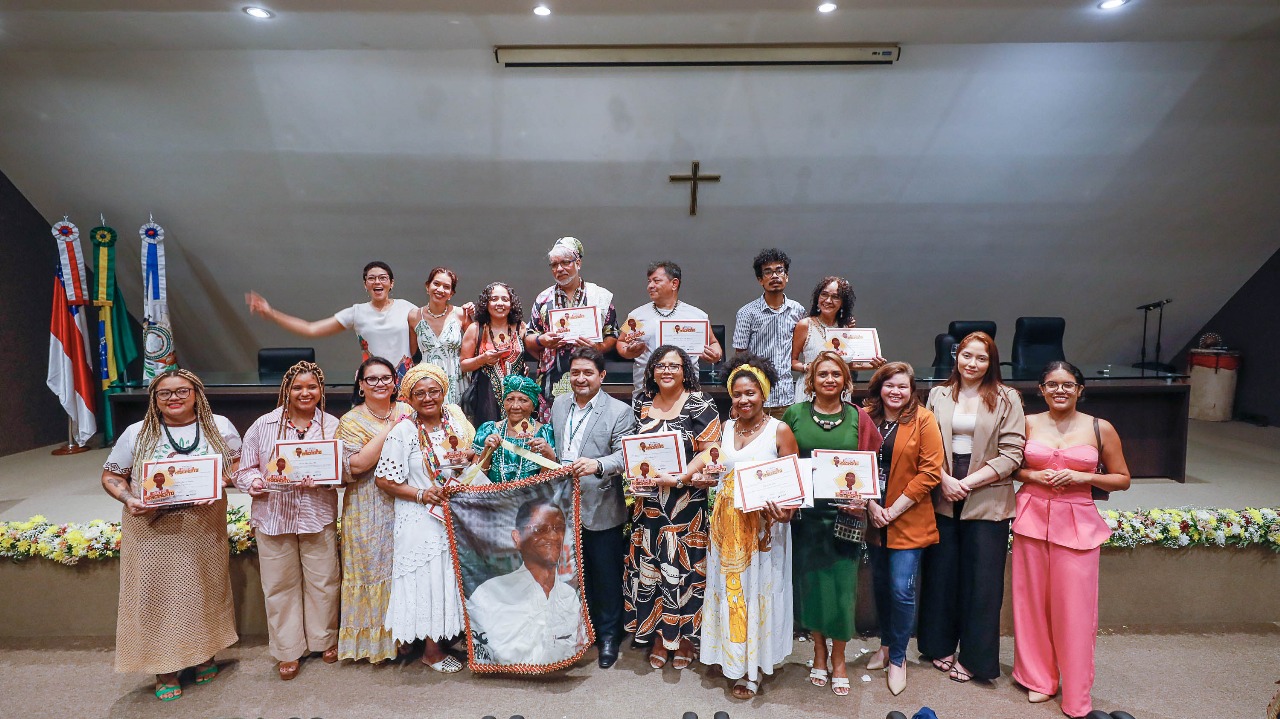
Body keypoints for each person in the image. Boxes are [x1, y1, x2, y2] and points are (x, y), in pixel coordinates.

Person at [98, 369, 241, 702]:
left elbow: (239, 468)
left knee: (203, 589)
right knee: (156, 596)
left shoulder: (219, 427)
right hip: (151, 530)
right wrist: (130, 499)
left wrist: (221, 482)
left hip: (203, 526)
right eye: (165, 393)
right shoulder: (137, 432)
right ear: (154, 398)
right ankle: (164, 668)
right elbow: (111, 476)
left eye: (182, 391)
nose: (174, 398)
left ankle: (204, 653)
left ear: (197, 393)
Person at [1012, 361, 1130, 718]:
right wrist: (1035, 473)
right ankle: (1038, 679)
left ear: (1080, 389)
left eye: (1067, 384)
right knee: (1030, 603)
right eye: (1052, 384)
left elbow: (1122, 478)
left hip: (1077, 522)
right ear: (1041, 389)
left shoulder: (1100, 428)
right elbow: (1011, 467)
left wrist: (1084, 479)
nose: (1059, 390)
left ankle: (1076, 693)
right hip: (1032, 516)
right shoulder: (1028, 423)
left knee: (1075, 610)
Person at [917, 332, 1026, 684]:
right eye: (967, 356)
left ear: (991, 362)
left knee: (983, 584)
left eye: (981, 358)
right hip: (943, 496)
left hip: (987, 498)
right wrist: (944, 480)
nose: (972, 364)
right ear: (956, 357)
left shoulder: (1007, 398)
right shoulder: (937, 394)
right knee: (941, 576)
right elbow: (925, 444)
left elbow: (1012, 453)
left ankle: (977, 659)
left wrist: (969, 482)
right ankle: (939, 645)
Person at [694, 355, 799, 700]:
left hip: (763, 529)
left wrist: (785, 512)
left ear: (764, 394)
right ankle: (729, 657)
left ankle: (752, 670)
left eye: (751, 393)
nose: (743, 400)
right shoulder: (725, 428)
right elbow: (716, 472)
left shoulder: (779, 430)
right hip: (726, 527)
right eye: (737, 394)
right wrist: (704, 479)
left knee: (755, 594)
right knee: (729, 592)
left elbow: (793, 489)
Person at [781, 351, 883, 697]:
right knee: (813, 589)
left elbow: (870, 465)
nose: (829, 379)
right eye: (822, 374)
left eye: (835, 375)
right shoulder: (794, 415)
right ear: (811, 380)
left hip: (846, 517)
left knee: (842, 590)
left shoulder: (859, 418)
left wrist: (864, 498)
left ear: (844, 380)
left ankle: (839, 657)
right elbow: (784, 462)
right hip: (806, 517)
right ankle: (818, 653)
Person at [234, 361, 342, 681]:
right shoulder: (263, 425)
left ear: (320, 390)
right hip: (272, 515)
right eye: (297, 387)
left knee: (323, 581)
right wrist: (254, 483)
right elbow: (244, 469)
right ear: (286, 390)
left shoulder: (333, 426)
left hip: (316, 514)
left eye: (311, 387)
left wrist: (325, 480)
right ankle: (288, 649)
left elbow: (344, 470)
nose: (304, 392)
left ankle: (324, 639)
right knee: (279, 585)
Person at [622, 345, 721, 670]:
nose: (667, 371)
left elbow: (710, 450)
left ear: (685, 370)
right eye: (661, 365)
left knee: (683, 571)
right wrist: (634, 476)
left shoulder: (700, 403)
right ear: (652, 370)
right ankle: (658, 636)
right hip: (648, 504)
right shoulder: (642, 404)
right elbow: (632, 448)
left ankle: (683, 639)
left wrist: (684, 475)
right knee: (652, 570)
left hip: (685, 505)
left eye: (674, 366)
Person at [374, 363, 476, 673]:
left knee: (448, 578)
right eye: (420, 393)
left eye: (434, 392)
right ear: (408, 398)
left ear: (444, 393)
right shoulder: (403, 432)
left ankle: (448, 639)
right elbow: (384, 480)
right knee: (427, 581)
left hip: (452, 515)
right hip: (419, 518)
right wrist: (421, 494)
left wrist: (468, 458)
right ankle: (430, 652)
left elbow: (464, 465)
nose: (428, 398)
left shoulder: (454, 427)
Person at [550, 347, 635, 668]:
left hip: (601, 506)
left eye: (588, 373)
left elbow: (624, 456)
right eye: (575, 373)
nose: (581, 379)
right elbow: (560, 448)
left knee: (605, 576)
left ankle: (609, 637)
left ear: (602, 376)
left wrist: (598, 464)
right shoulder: (559, 405)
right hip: (563, 506)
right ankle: (576, 634)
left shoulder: (619, 411)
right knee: (571, 577)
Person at [862, 362, 944, 696]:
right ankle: (884, 645)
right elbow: (851, 463)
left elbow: (930, 472)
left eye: (903, 387)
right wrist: (871, 506)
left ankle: (898, 656)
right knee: (880, 585)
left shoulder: (924, 420)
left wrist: (893, 510)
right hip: (873, 516)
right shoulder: (866, 417)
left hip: (906, 517)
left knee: (901, 589)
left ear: (912, 391)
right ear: (879, 388)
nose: (896, 392)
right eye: (889, 385)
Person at [335, 357, 413, 663]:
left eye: (386, 378)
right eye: (372, 379)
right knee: (372, 568)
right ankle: (377, 643)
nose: (380, 384)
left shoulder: (409, 409)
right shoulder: (351, 421)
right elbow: (357, 464)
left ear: (395, 382)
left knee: (401, 568)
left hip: (405, 499)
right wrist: (393, 428)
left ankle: (407, 636)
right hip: (367, 504)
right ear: (361, 384)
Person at [467, 498, 587, 666]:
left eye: (558, 528)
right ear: (517, 538)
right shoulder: (488, 594)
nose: (553, 536)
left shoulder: (569, 598)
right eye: (540, 529)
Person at [246, 261, 417, 377]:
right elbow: (310, 329)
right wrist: (271, 313)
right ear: (365, 285)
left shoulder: (407, 308)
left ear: (391, 283)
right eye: (371, 278)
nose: (377, 282)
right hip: (371, 380)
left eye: (383, 278)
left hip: (405, 378)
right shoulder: (357, 312)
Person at [524, 237, 619, 409]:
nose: (559, 269)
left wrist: (599, 347)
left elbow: (612, 335)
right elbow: (529, 337)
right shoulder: (543, 299)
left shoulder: (599, 297)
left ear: (578, 263)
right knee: (551, 430)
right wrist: (542, 340)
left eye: (565, 263)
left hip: (588, 377)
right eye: (554, 265)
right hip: (550, 381)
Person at [616, 260, 723, 394]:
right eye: (649, 281)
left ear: (674, 283)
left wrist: (715, 355)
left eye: (656, 281)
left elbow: (713, 343)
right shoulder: (636, 316)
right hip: (647, 392)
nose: (650, 286)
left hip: (687, 392)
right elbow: (621, 341)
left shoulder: (697, 315)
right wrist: (628, 351)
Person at [732, 248, 806, 418]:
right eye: (768, 272)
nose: (774, 276)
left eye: (779, 271)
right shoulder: (746, 313)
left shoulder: (798, 310)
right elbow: (739, 359)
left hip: (788, 398)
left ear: (786, 276)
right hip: (756, 400)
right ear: (760, 280)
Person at [789, 276, 885, 400]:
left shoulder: (845, 328)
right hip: (810, 390)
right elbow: (792, 362)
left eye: (835, 297)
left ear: (843, 303)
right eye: (824, 294)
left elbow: (847, 364)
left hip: (839, 391)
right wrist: (807, 367)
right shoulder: (805, 325)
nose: (828, 300)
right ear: (817, 298)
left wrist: (873, 365)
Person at [459, 282, 530, 426]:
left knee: (517, 441)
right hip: (486, 397)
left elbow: (527, 355)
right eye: (494, 299)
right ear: (486, 303)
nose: (500, 303)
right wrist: (482, 359)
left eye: (505, 299)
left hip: (518, 399)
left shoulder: (520, 327)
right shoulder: (476, 329)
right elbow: (463, 365)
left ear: (512, 304)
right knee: (489, 440)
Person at [472, 375, 557, 483]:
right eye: (510, 399)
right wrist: (486, 453)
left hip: (534, 498)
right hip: (494, 498)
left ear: (533, 406)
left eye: (523, 400)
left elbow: (550, 483)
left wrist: (549, 455)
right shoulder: (489, 430)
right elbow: (474, 481)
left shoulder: (544, 433)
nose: (515, 406)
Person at [408, 266, 472, 405]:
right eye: (436, 284)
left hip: (457, 378)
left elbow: (475, 347)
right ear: (427, 286)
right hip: (427, 380)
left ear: (451, 293)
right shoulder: (414, 316)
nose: (440, 289)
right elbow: (413, 353)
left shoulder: (461, 314)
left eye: (446, 287)